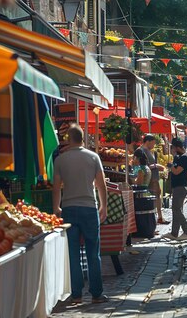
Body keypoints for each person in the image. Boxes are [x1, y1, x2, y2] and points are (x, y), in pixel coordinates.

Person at [52, 124, 108, 304]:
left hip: (69, 207)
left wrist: (56, 207)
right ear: (83, 138)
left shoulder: (60, 160)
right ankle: (96, 293)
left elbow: (56, 187)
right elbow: (101, 185)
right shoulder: (93, 157)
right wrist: (104, 206)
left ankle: (76, 294)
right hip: (89, 207)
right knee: (93, 252)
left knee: (73, 253)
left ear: (68, 139)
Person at [162, 138, 187, 241]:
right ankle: (174, 233)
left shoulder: (184, 158)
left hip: (181, 186)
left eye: (173, 148)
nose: (172, 150)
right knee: (176, 210)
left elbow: (176, 171)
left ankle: (186, 232)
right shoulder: (180, 157)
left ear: (177, 147)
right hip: (178, 186)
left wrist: (170, 166)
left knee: (176, 209)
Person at [138, 135, 169, 225]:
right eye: (153, 143)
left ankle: (159, 217)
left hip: (154, 177)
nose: (154, 145)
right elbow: (142, 167)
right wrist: (156, 166)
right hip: (149, 179)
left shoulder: (149, 151)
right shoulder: (142, 151)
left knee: (156, 196)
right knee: (152, 198)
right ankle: (154, 219)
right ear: (148, 141)